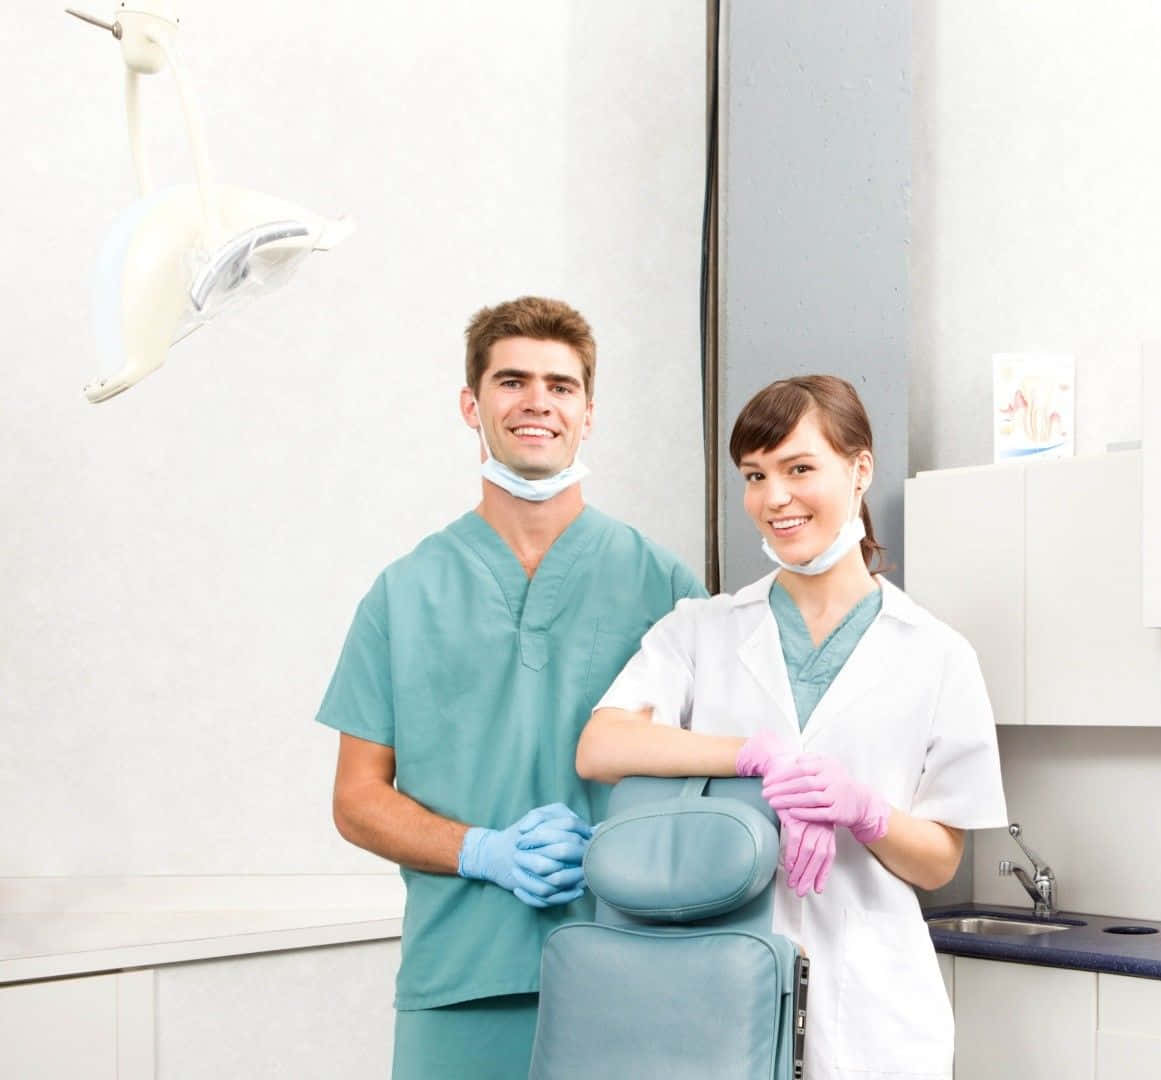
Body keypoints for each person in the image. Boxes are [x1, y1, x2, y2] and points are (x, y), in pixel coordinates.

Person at [317, 296, 706, 1080]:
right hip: (459, 979)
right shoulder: (403, 593)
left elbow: (705, 781)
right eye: (512, 381)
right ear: (472, 404)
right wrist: (481, 852)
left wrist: (618, 851)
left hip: (629, 968)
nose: (538, 402)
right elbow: (357, 797)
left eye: (561, 386)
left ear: (588, 413)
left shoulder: (663, 584)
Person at [577, 374, 1007, 1080]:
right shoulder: (699, 630)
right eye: (755, 475)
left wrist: (867, 812)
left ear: (860, 468)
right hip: (715, 992)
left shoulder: (938, 655)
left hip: (874, 1008)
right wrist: (754, 756)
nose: (773, 497)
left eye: (799, 468)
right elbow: (601, 746)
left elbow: (938, 859)